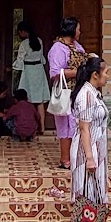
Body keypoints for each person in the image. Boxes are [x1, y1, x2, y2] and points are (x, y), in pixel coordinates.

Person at [69, 54, 111, 222]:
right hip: (88, 150)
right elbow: (84, 128)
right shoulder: (86, 95)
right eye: (105, 72)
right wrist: (89, 157)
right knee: (90, 196)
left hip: (95, 149)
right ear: (95, 75)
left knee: (91, 195)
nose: (107, 76)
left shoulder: (92, 93)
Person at [46, 18, 87, 168]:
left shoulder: (76, 46)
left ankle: (75, 156)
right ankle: (65, 159)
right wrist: (78, 72)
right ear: (72, 30)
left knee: (76, 124)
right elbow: (55, 72)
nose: (79, 32)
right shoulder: (58, 48)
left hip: (77, 91)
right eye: (78, 29)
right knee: (65, 126)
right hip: (65, 92)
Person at [13, 19, 51, 134]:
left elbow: (19, 61)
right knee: (40, 101)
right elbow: (42, 58)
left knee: (27, 99)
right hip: (39, 70)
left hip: (28, 71)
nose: (19, 35)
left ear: (24, 31)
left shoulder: (24, 44)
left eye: (20, 32)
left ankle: (30, 127)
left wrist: (12, 68)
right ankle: (42, 127)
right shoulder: (39, 41)